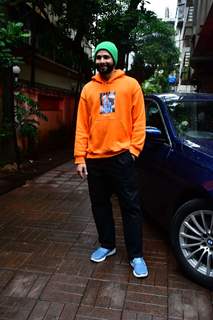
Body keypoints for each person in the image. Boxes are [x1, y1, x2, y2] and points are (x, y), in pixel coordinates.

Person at [74, 41, 148, 278]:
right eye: (99, 57)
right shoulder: (88, 89)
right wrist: (80, 157)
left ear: (114, 59)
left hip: (122, 158)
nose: (102, 61)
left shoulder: (130, 85)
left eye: (106, 57)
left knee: (131, 208)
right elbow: (82, 126)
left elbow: (139, 121)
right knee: (100, 206)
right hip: (95, 159)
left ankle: (136, 255)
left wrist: (134, 151)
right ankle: (107, 245)